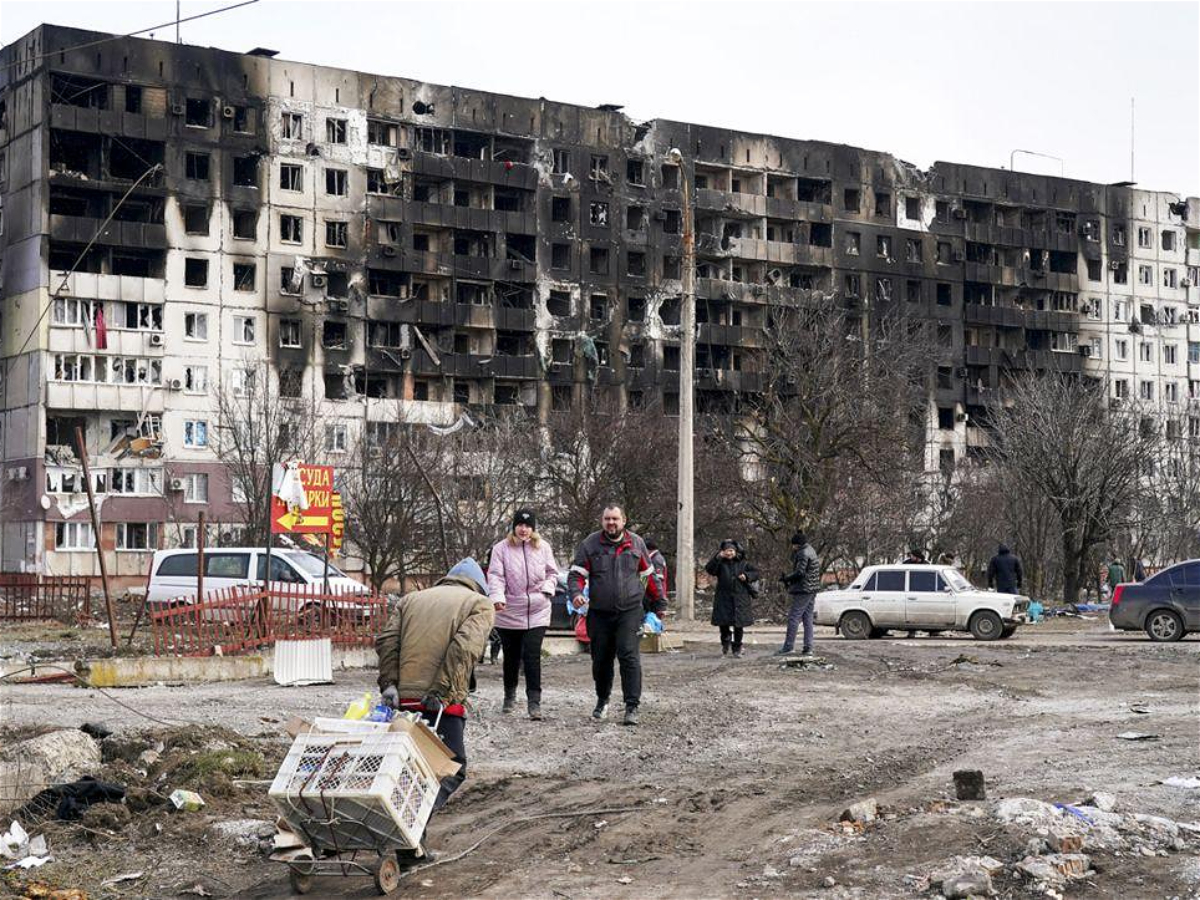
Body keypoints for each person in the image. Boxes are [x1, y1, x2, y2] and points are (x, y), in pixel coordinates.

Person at [376, 557, 494, 844]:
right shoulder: (479, 604)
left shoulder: (410, 600)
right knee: (451, 767)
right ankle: (406, 828)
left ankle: (408, 835)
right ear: (479, 585)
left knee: (408, 768)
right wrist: (441, 692)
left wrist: (390, 684)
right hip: (440, 703)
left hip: (403, 700)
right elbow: (464, 649)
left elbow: (388, 641)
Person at [568, 504, 665, 726]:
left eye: (615, 519)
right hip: (600, 613)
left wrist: (659, 603)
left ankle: (632, 706)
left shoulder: (636, 543)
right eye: (607, 519)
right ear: (602, 521)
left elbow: (649, 576)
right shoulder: (590, 544)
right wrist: (575, 594)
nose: (611, 523)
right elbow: (576, 575)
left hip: (630, 610)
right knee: (601, 660)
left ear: (624, 520)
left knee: (629, 656)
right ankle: (602, 699)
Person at [486, 508, 559, 720]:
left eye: (528, 526)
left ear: (533, 528)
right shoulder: (501, 549)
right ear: (514, 527)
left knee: (532, 655)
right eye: (520, 525)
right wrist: (497, 598)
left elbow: (552, 572)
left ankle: (534, 702)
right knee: (511, 656)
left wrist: (547, 588)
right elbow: (496, 576)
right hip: (510, 609)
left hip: (538, 608)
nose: (524, 529)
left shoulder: (543, 547)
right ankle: (509, 694)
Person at [705, 539, 759, 657]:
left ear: (735, 551)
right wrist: (717, 557)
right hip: (723, 597)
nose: (729, 553)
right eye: (726, 551)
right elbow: (709, 569)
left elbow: (756, 573)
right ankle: (725, 641)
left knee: (738, 625)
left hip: (740, 598)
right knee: (723, 623)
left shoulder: (743, 563)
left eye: (731, 551)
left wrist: (747, 576)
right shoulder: (720, 563)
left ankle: (737, 648)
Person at [778, 531, 820, 656]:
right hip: (812, 589)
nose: (792, 547)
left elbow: (800, 572)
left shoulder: (802, 553)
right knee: (808, 619)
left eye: (794, 545)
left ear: (798, 544)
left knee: (793, 617)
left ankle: (788, 646)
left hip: (804, 589)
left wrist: (787, 578)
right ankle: (808, 647)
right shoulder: (811, 550)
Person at [644, 539, 670, 610]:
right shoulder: (655, 558)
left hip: (656, 596)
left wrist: (660, 597)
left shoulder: (656, 559)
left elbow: (659, 580)